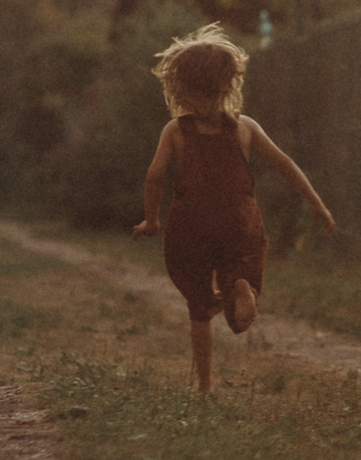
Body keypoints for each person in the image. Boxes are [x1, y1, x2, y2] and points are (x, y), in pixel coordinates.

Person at [131, 24, 335, 393]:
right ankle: (242, 287)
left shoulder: (175, 131)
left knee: (198, 303)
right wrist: (317, 204)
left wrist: (151, 219)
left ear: (179, 88)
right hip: (238, 221)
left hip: (191, 225)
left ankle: (205, 385)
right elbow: (285, 164)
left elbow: (154, 176)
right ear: (229, 84)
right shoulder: (246, 128)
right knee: (242, 268)